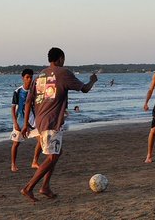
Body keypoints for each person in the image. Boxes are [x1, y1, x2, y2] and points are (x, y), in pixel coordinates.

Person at [20, 48, 99, 202]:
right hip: (52, 120)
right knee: (52, 156)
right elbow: (84, 89)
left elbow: (29, 100)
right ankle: (28, 187)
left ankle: (45, 187)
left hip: (40, 120)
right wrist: (93, 80)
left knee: (56, 153)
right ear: (61, 58)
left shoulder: (40, 75)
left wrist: (25, 124)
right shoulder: (63, 73)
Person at [10, 69, 42, 172]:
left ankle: (34, 161)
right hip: (20, 121)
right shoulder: (18, 91)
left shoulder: (35, 90)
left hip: (32, 122)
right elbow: (13, 108)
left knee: (41, 140)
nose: (29, 79)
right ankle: (13, 164)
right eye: (27, 77)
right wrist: (15, 123)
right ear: (23, 78)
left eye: (31, 77)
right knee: (16, 144)